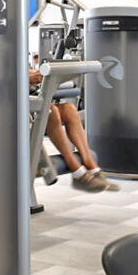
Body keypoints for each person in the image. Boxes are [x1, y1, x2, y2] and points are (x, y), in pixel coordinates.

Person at [29, 60, 116, 193]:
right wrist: (26, 78)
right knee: (52, 111)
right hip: (14, 107)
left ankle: (93, 168)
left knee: (69, 109)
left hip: (30, 100)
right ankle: (78, 174)